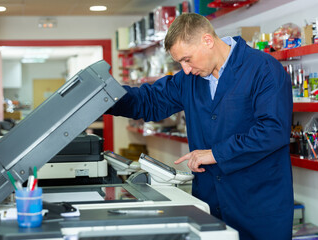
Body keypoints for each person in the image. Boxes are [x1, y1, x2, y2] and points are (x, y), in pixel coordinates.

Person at [107, 13, 293, 240]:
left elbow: (273, 131)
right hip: (210, 205)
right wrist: (105, 98)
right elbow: (149, 101)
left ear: (207, 40)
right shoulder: (189, 79)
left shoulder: (264, 69)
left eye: (187, 59)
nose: (185, 69)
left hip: (257, 207)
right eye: (180, 63)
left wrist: (217, 153)